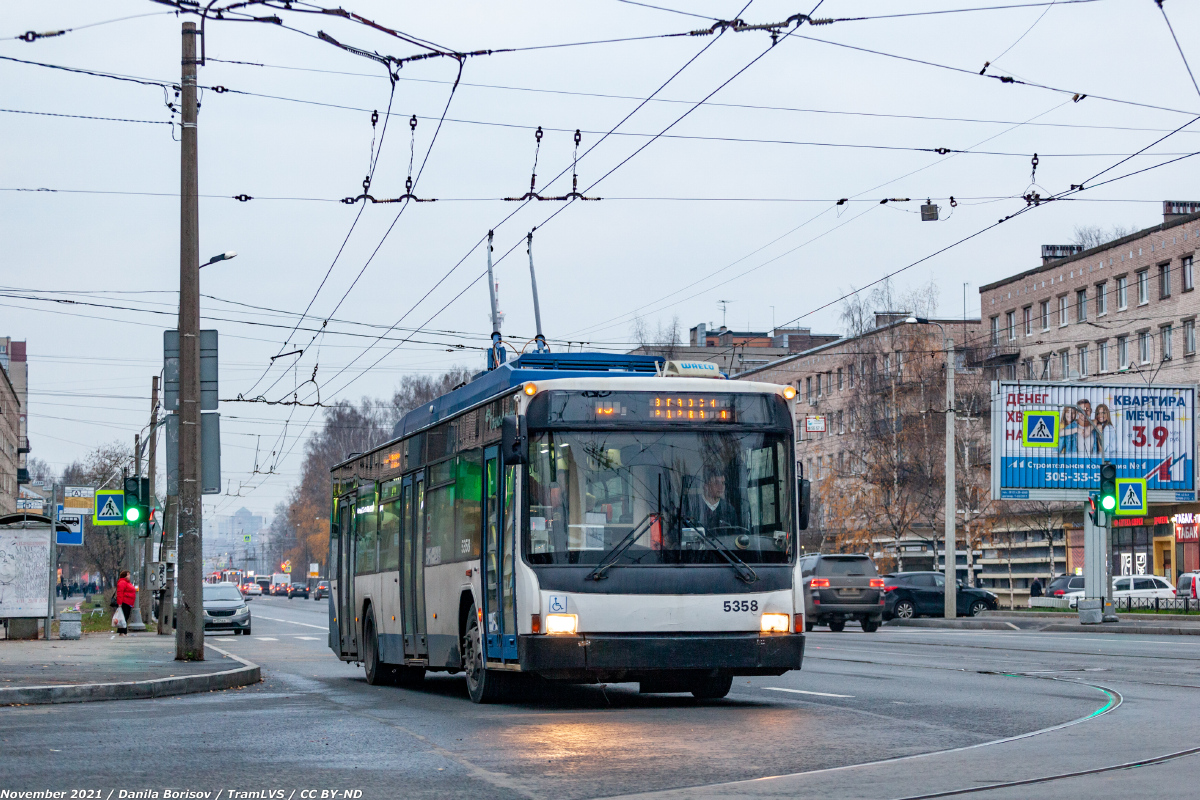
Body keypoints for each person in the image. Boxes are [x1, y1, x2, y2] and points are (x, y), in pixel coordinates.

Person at [687, 465, 740, 533]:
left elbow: (735, 537)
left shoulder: (729, 510)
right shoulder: (692, 506)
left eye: (723, 483)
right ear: (706, 486)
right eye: (717, 483)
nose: (721, 487)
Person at [115, 570, 138, 635]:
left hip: (128, 602)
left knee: (125, 617)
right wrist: (119, 603)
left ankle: (123, 632)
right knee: (123, 617)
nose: (129, 576)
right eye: (128, 574)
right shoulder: (122, 582)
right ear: (125, 576)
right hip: (125, 602)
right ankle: (122, 632)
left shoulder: (127, 582)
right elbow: (120, 593)